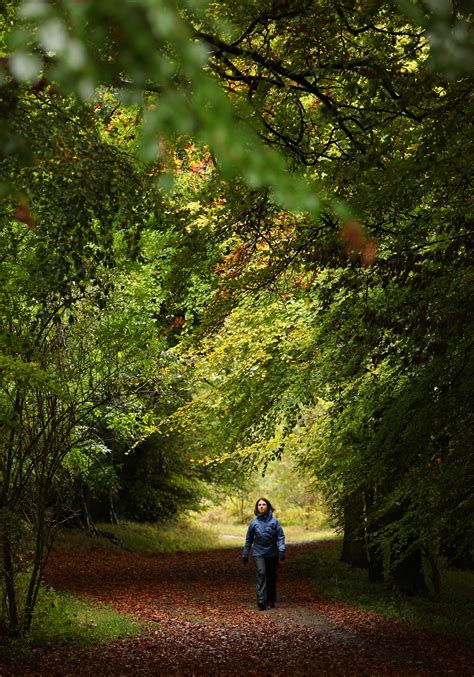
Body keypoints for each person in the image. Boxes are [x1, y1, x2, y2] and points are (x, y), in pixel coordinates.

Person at [242, 497, 286, 610]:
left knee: (271, 576)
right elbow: (249, 540)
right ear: (257, 508)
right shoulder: (254, 523)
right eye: (259, 505)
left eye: (263, 504)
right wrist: (245, 554)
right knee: (261, 574)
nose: (261, 506)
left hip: (272, 553)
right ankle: (261, 600)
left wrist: (281, 550)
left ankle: (270, 599)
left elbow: (280, 537)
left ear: (268, 507)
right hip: (258, 553)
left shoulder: (274, 522)